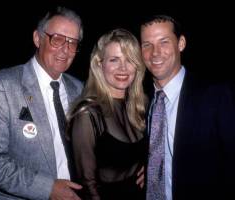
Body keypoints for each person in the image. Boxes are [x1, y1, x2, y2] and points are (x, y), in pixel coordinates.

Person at [0, 6, 83, 200]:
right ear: (37, 39)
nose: (65, 48)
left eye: (72, 42)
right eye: (57, 39)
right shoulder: (3, 85)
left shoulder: (79, 89)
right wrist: (48, 189)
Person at [140, 15, 235, 200]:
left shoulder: (216, 96)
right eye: (147, 45)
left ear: (181, 43)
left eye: (164, 42)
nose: (155, 53)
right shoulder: (142, 99)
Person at [67, 28, 147, 200]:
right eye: (114, 60)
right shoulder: (88, 114)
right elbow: (87, 185)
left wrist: (151, 166)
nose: (123, 68)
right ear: (99, 64)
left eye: (130, 60)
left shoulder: (143, 106)